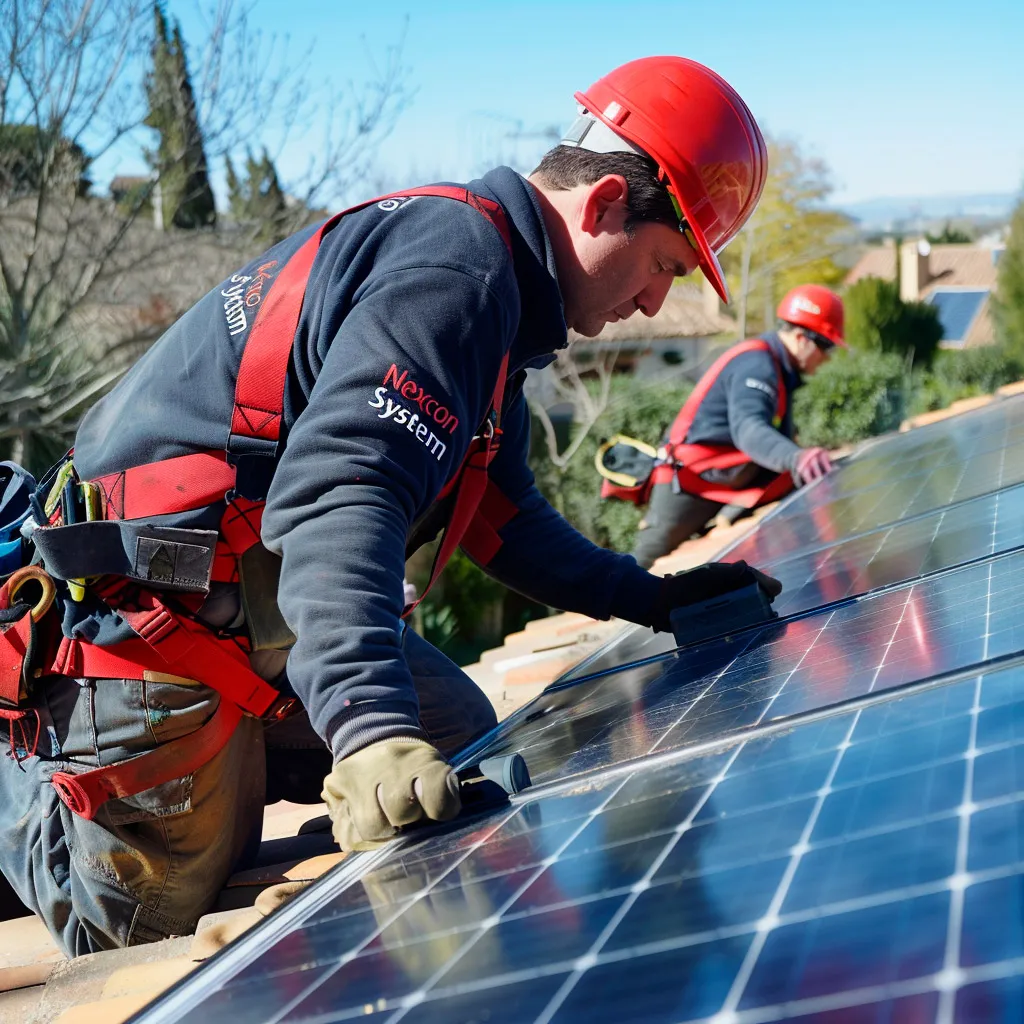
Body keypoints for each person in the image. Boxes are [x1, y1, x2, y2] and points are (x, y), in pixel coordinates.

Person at [0, 55, 781, 956]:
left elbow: (505, 520)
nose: (653, 302)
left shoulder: (497, 299)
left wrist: (653, 598)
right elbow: (342, 494)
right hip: (147, 621)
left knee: (467, 751)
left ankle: (264, 743)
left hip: (267, 607)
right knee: (138, 922)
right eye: (664, 266)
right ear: (605, 202)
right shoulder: (458, 275)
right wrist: (368, 729)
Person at [631, 283, 846, 569]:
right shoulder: (758, 365)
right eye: (826, 345)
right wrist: (797, 458)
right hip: (688, 482)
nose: (827, 357)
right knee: (642, 568)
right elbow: (749, 430)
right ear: (801, 337)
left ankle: (727, 516)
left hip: (722, 477)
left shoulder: (780, 369)